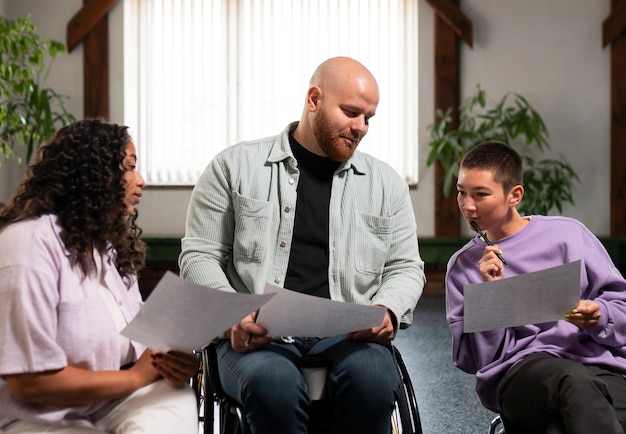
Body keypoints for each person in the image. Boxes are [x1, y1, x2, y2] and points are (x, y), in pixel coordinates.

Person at [179, 56, 425, 433]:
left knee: (375, 382)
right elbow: (199, 256)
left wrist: (387, 309)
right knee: (273, 385)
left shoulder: (385, 184)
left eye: (368, 118)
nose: (361, 127)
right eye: (351, 112)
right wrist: (233, 315)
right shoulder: (233, 167)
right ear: (314, 100)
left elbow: (405, 267)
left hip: (348, 332)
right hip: (255, 332)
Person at [0, 119, 199, 434]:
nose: (141, 180)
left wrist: (171, 364)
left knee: (177, 395)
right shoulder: (27, 244)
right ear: (92, 175)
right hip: (38, 417)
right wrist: (136, 378)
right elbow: (30, 384)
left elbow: (143, 342)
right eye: (129, 168)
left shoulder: (107, 247)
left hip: (112, 400)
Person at [445, 140, 626, 434]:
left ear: (514, 195)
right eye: (461, 192)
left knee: (564, 426)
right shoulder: (464, 266)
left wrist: (600, 315)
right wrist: (492, 297)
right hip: (522, 375)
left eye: (480, 194)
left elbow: (621, 306)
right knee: (573, 384)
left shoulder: (569, 235)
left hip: (599, 366)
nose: (467, 205)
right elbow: (472, 360)